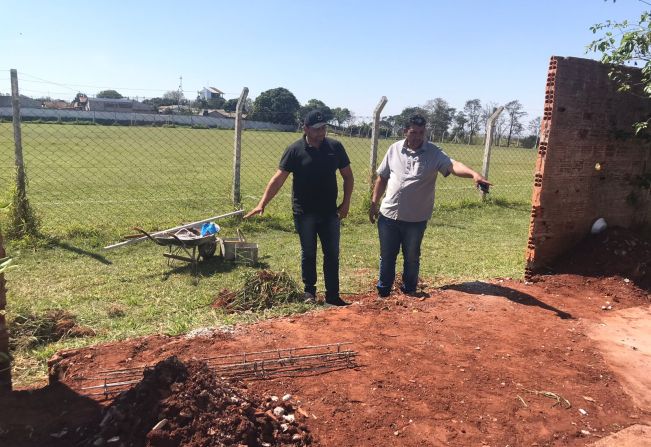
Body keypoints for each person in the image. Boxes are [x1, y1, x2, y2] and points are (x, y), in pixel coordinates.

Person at [369, 114, 491, 298]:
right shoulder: (394, 149)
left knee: (411, 257)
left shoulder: (434, 152)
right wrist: (374, 203)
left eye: (421, 132)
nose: (417, 136)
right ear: (405, 132)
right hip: (389, 215)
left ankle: (409, 291)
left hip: (415, 219)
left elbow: (452, 165)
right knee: (387, 256)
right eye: (413, 132)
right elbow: (383, 177)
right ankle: (383, 291)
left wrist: (474, 174)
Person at [245, 109, 354, 306]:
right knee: (309, 252)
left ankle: (333, 296)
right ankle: (309, 293)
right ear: (305, 128)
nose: (321, 133)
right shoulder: (295, 150)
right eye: (317, 129)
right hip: (304, 213)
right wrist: (262, 203)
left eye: (324, 128)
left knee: (332, 253)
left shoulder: (335, 147)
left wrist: (346, 204)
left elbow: (348, 176)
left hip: (330, 212)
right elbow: (279, 178)